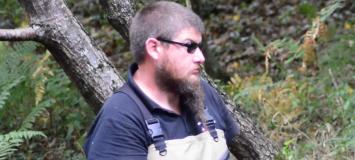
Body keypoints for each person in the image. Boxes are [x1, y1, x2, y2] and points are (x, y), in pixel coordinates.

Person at [83, 1, 238, 159]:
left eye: (199, 47)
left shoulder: (206, 94)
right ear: (154, 48)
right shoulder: (120, 119)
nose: (200, 57)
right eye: (189, 46)